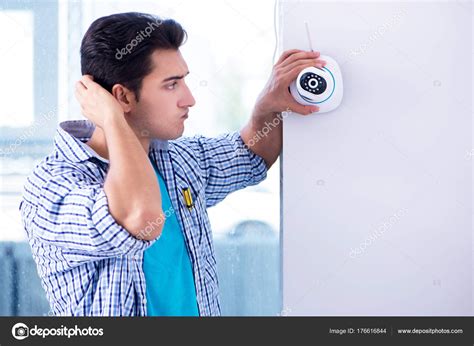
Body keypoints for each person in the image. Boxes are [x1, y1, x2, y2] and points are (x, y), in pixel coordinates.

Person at [19, 12, 326, 316]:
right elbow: (139, 216)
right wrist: (113, 120)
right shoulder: (51, 186)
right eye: (171, 85)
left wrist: (266, 106)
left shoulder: (176, 159)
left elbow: (249, 154)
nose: (189, 99)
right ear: (122, 97)